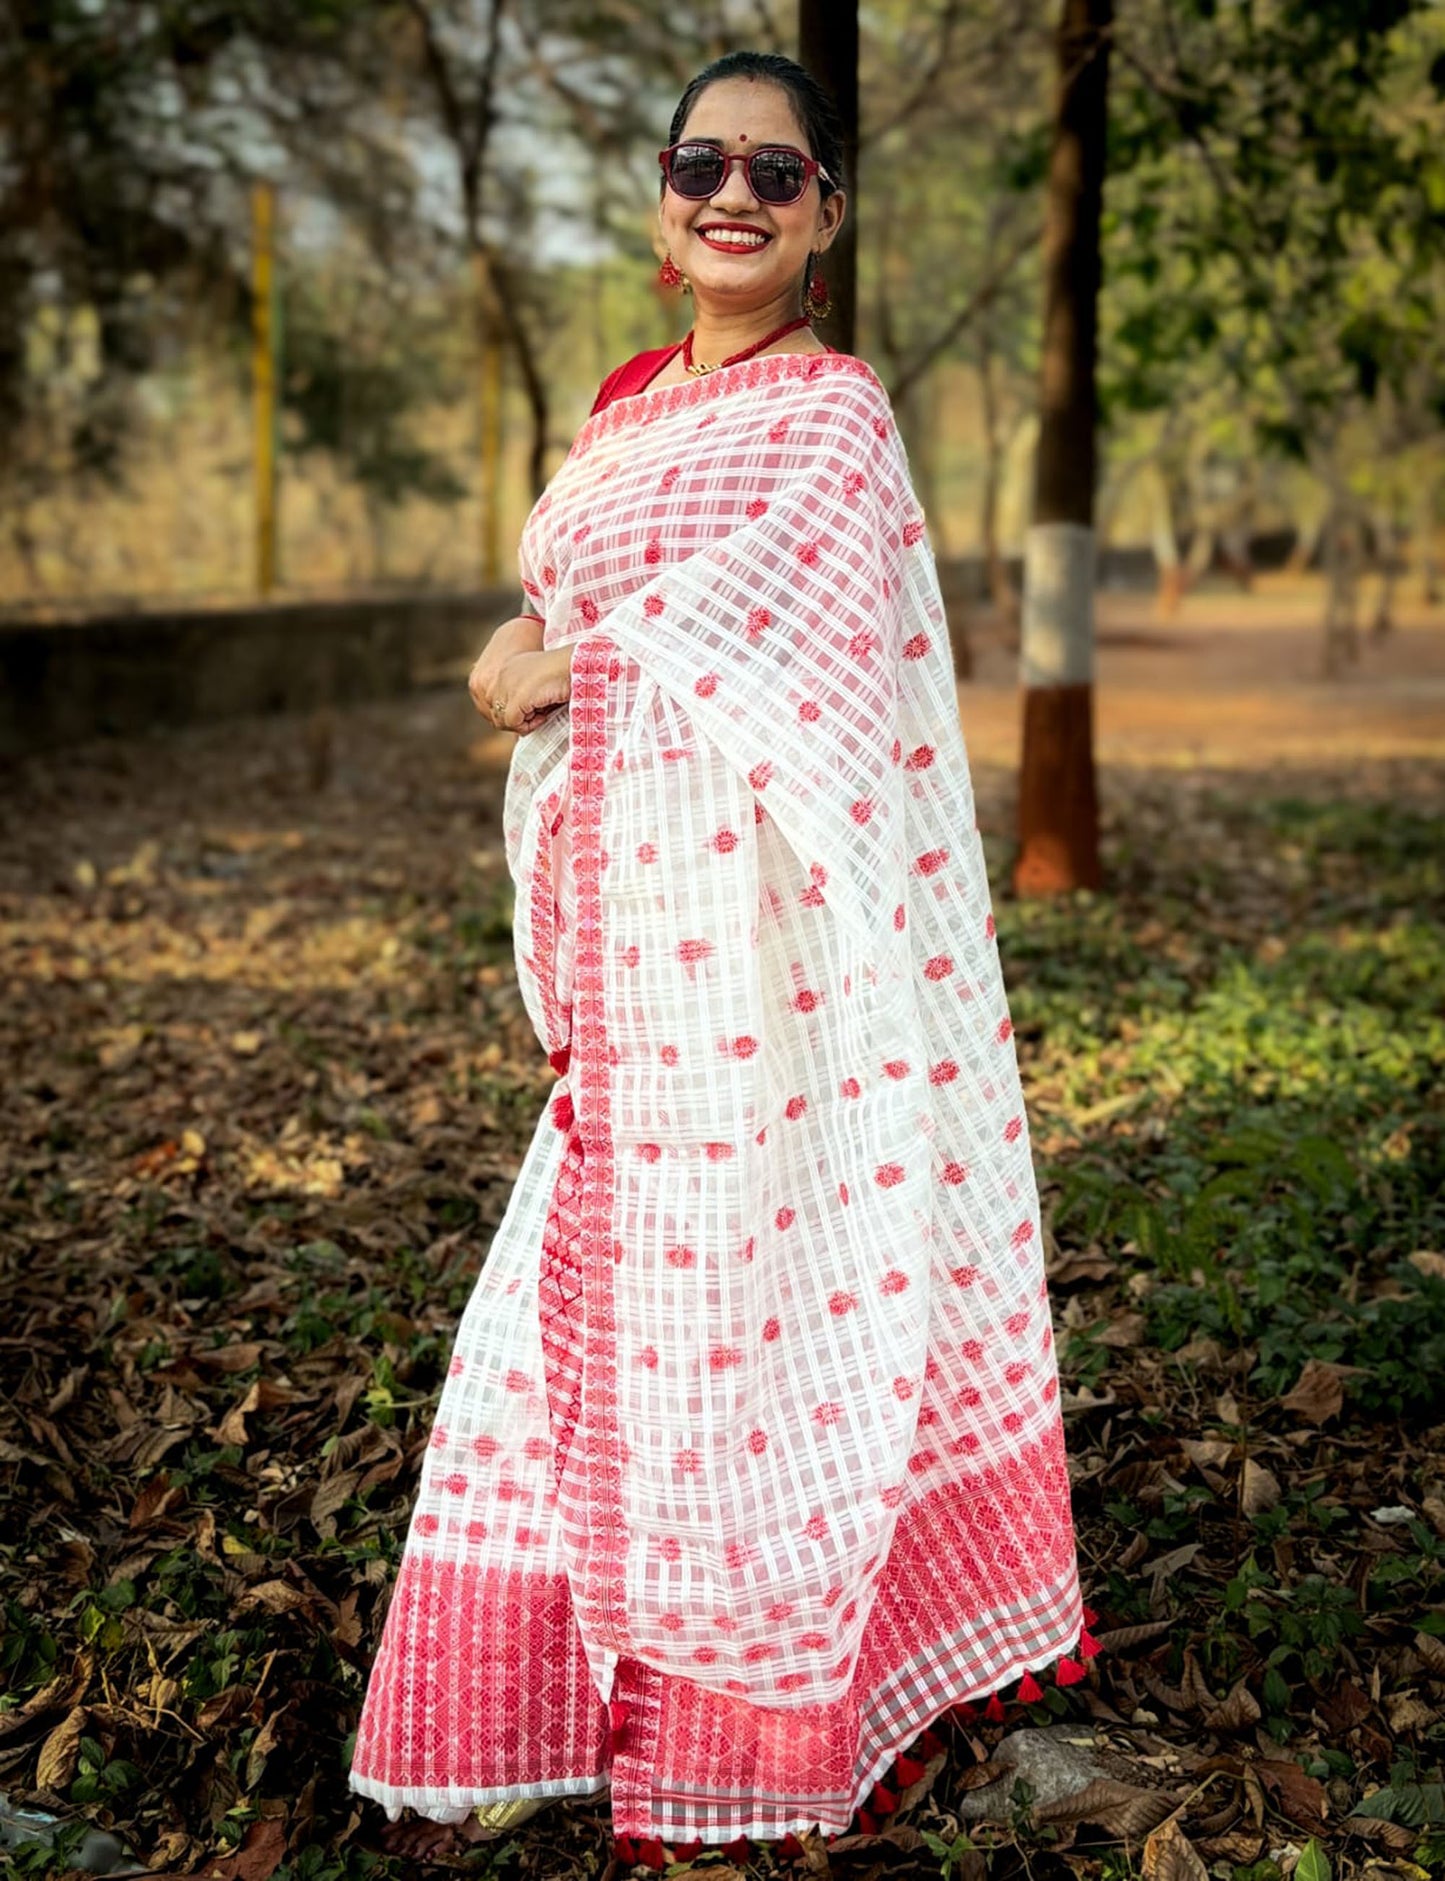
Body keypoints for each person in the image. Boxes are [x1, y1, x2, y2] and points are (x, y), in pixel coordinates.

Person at [347, 48, 1096, 1864]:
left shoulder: (834, 417)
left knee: (768, 1287)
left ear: (827, 211)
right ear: (661, 205)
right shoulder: (619, 413)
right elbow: (570, 605)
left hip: (779, 964)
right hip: (633, 946)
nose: (735, 194)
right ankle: (556, 1685)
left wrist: (574, 666)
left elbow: (795, 651)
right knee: (604, 1302)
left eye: (776, 169)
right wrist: (515, 650)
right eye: (703, 165)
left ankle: (767, 1692)